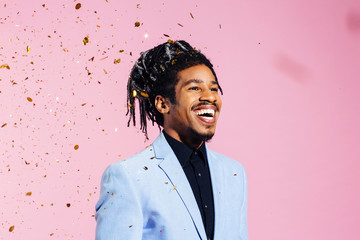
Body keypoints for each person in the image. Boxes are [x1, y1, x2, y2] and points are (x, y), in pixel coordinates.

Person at [95, 40, 248, 240]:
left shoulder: (234, 173)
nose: (209, 97)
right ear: (162, 104)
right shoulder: (128, 176)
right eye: (194, 88)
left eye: (213, 89)